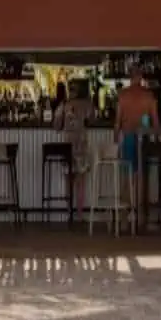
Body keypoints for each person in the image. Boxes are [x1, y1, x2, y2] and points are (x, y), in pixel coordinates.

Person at [53, 78, 94, 218]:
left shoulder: (63, 105)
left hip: (68, 146)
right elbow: (92, 119)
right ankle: (80, 213)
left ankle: (69, 210)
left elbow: (56, 126)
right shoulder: (87, 105)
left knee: (68, 179)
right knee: (81, 181)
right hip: (81, 145)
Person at [115, 64, 158, 171]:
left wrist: (115, 142)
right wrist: (157, 140)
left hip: (128, 134)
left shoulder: (123, 95)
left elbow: (117, 122)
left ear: (130, 77)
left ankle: (131, 188)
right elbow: (155, 120)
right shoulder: (148, 95)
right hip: (144, 136)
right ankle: (140, 187)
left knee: (128, 172)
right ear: (141, 77)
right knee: (142, 172)